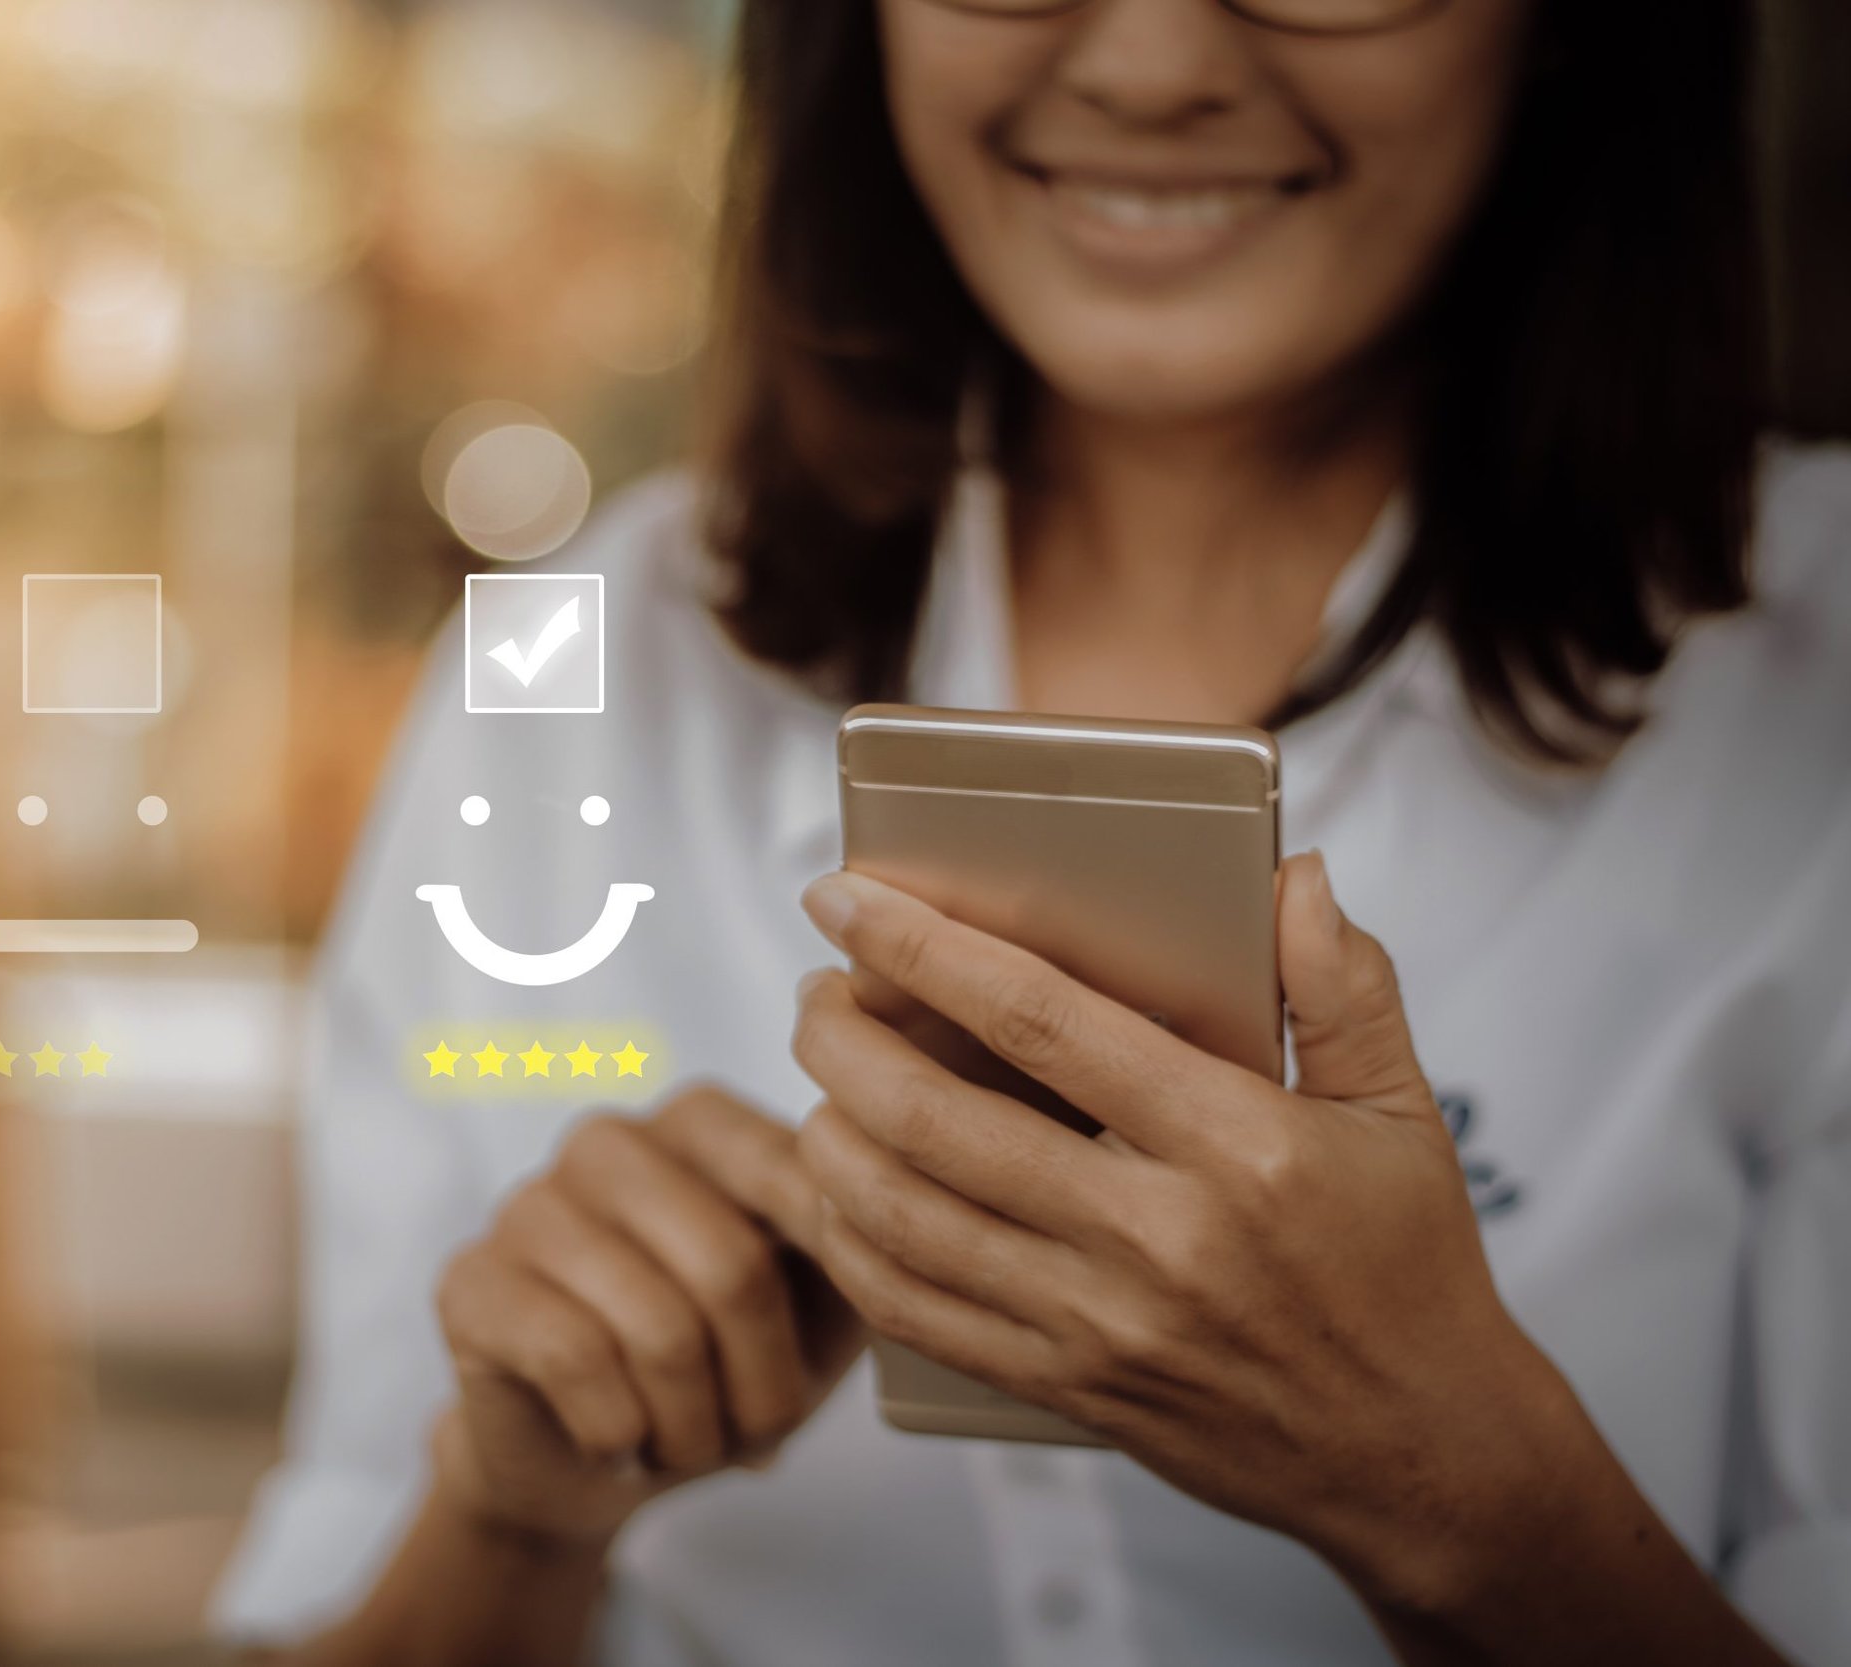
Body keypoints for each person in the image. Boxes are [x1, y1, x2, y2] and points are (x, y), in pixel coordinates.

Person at [214, 0, 1851, 1661]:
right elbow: (328, 1585)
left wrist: (1464, 1493)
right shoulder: (567, 673)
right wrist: (506, 1518)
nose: (1150, 66)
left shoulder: (1820, 696)